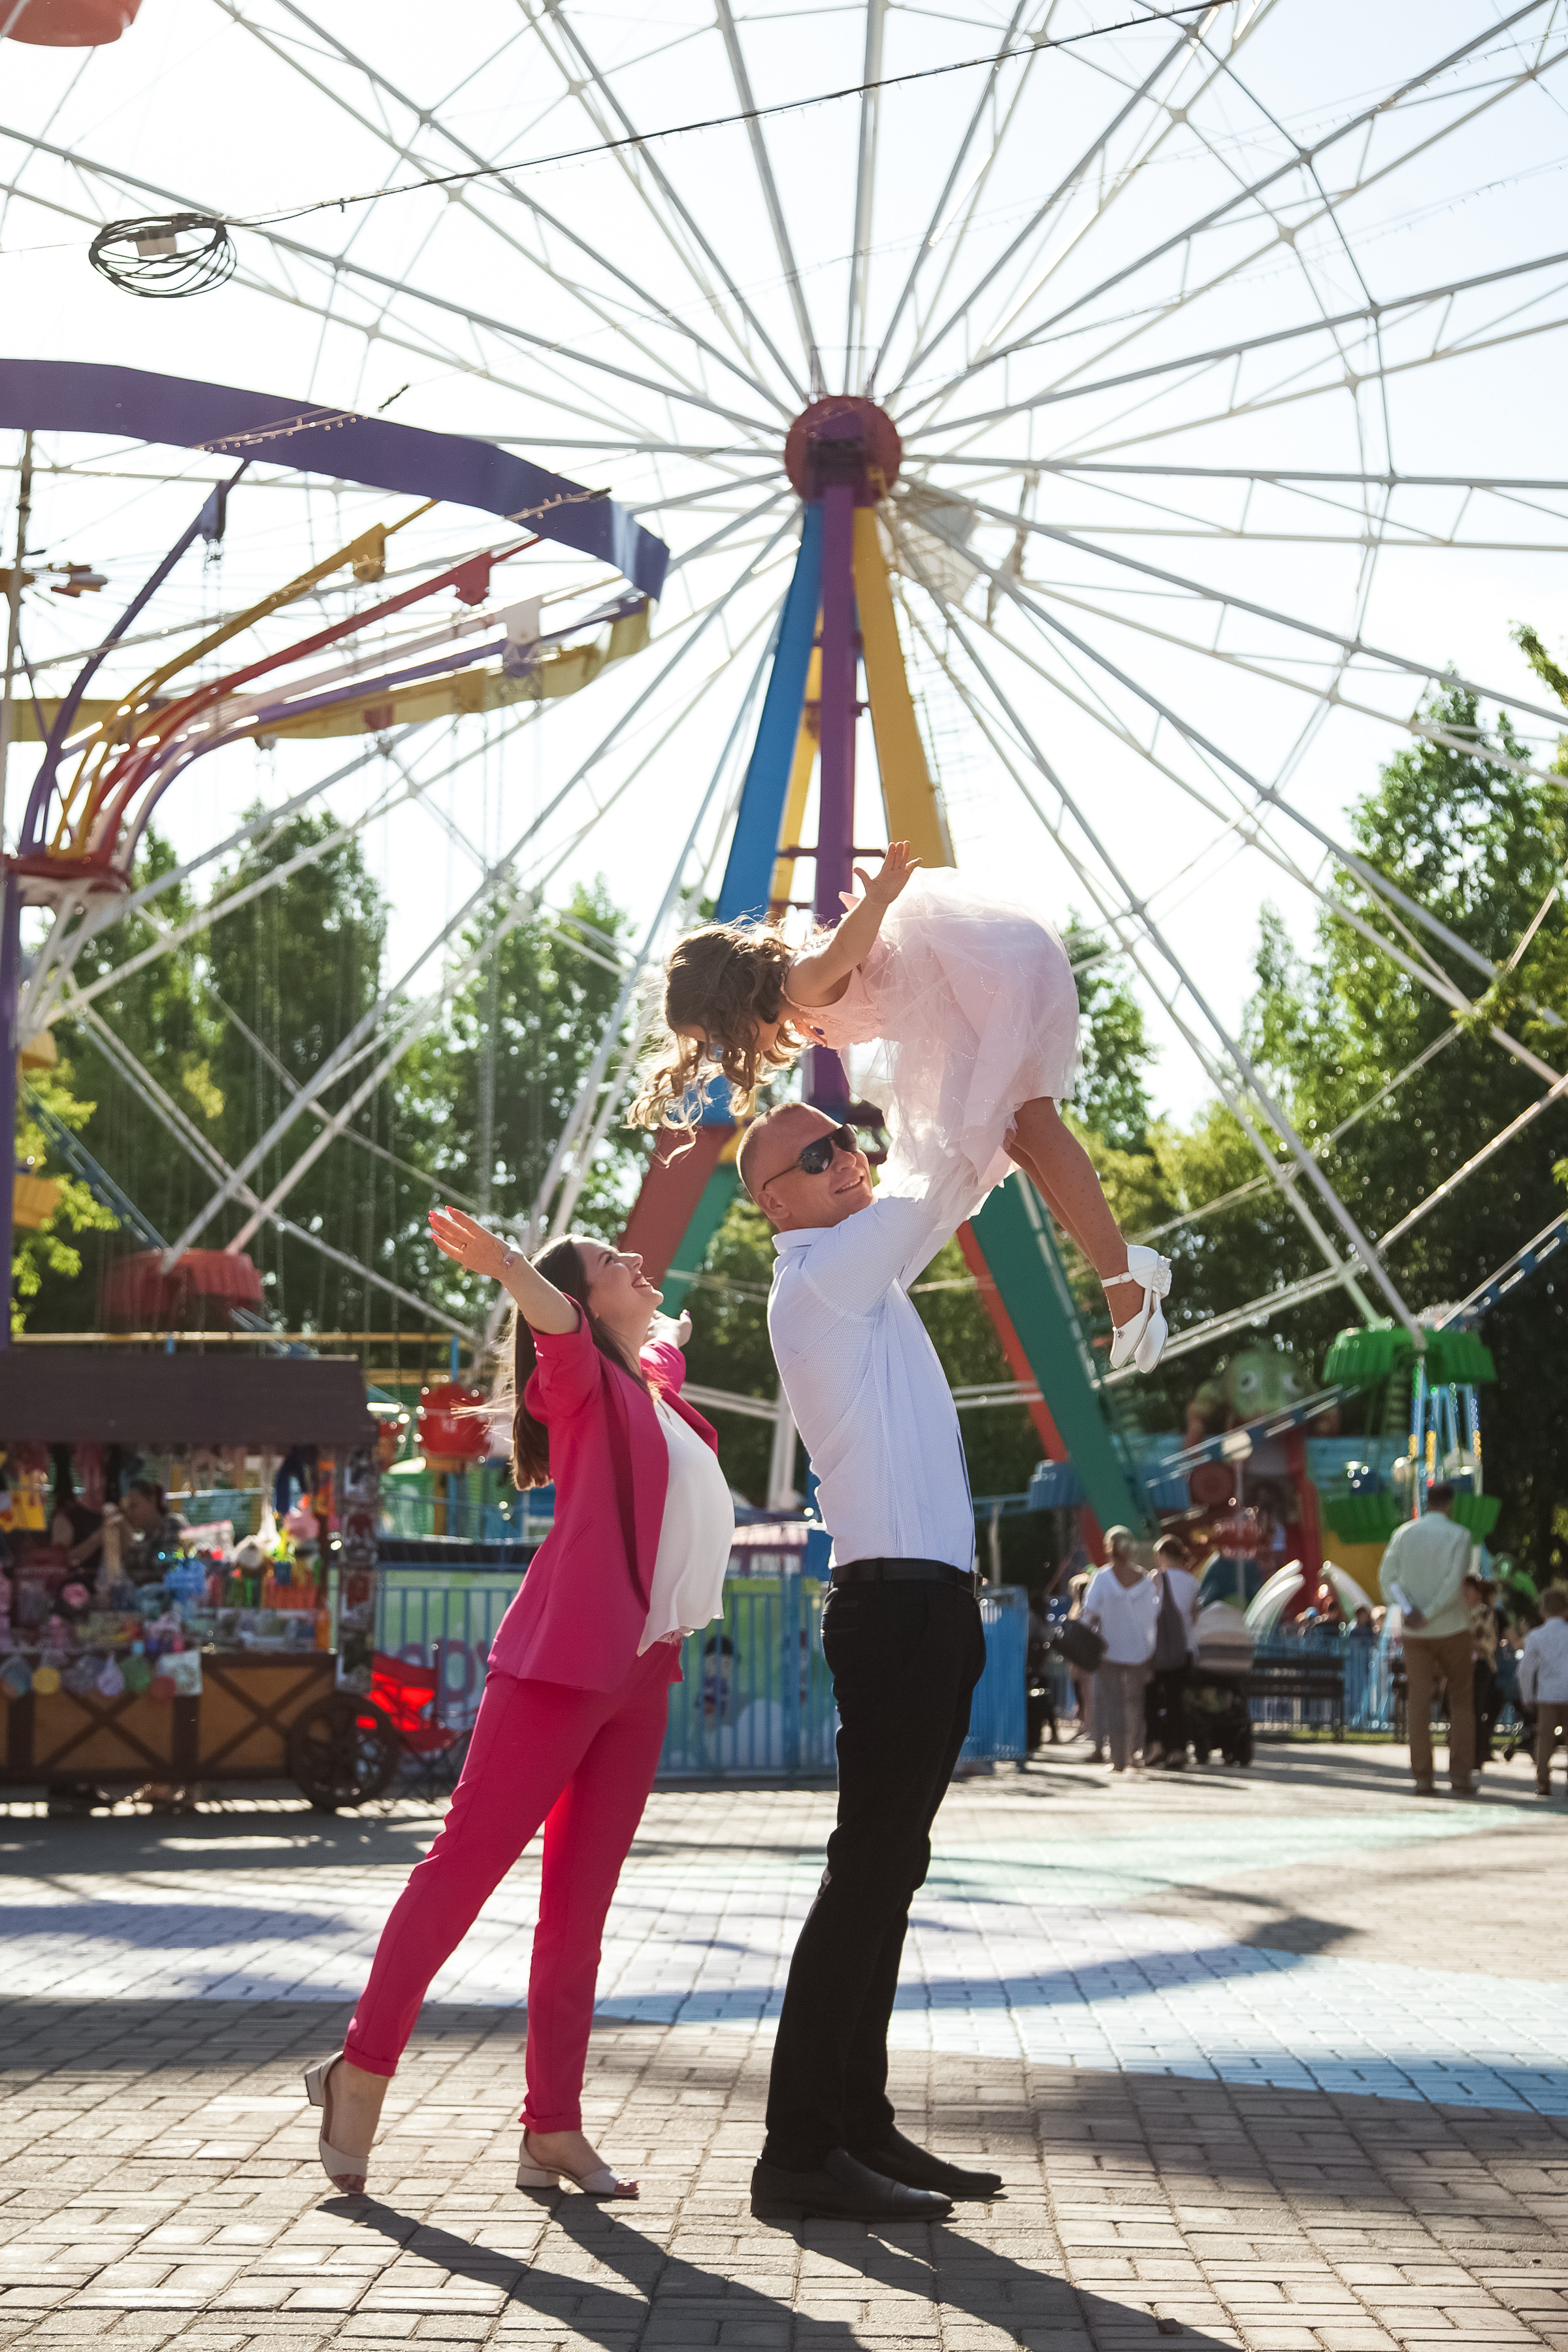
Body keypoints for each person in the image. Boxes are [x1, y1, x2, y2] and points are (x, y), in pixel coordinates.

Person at [304, 1211, 734, 2200]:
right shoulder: (577, 1381)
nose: (635, 1256)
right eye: (607, 1262)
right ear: (579, 1306)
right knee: (461, 1874)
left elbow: (657, 1345)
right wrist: (512, 1268)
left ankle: (553, 2129)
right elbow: (559, 1327)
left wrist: (658, 1329)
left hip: (640, 1675)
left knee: (579, 1913)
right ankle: (359, 2070)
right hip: (557, 1667)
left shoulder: (650, 1386)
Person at [736, 1100, 1004, 2225]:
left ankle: (857, 2119)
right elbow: (950, 1171)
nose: (847, 1155)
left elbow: (959, 1180)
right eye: (818, 1151)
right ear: (775, 1204)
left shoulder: (865, 1278)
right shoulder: (826, 1277)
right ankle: (796, 2151)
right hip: (894, 1609)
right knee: (865, 1877)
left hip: (929, 1601)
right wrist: (988, 1042)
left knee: (890, 1875)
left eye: (846, 1139)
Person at [632, 843, 1173, 1373]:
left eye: (721, 1036)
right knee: (1016, 1134)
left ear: (730, 1002)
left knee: (1031, 1122)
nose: (727, 1050)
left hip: (984, 981)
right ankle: (1120, 1268)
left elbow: (843, 952)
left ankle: (1121, 1276)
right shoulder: (796, 997)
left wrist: (879, 899)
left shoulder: (801, 981)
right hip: (967, 997)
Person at [1379, 1483, 1477, 1797]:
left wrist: (1408, 1609)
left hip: (1415, 1632)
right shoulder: (1460, 1536)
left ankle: (1422, 1776)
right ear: (1449, 1504)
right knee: (1461, 1701)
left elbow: (1387, 1577)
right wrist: (1431, 1612)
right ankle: (1460, 1776)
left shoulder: (1403, 1534)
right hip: (1451, 1628)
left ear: (1426, 1502)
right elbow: (1453, 1583)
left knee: (1419, 1703)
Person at [1081, 1529, 1159, 1772]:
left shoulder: (1102, 1579)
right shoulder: (1146, 1582)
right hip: (1141, 1651)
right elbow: (1152, 1616)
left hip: (1109, 1650)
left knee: (1113, 1704)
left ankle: (1118, 1760)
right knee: (1135, 1703)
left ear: (1109, 1548)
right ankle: (1134, 1752)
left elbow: (1088, 1614)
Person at [1144, 1534, 1200, 1768]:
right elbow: (1196, 1617)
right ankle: (1178, 1750)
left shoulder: (1156, 1579)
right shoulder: (1192, 1582)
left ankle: (1156, 1744)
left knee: (1152, 1699)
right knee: (1177, 1702)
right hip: (1184, 1651)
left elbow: (1148, 1613)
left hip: (1158, 1651)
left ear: (1164, 1556)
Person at [1517, 1587, 1568, 1797]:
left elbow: (1526, 1669)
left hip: (1547, 1695)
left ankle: (1543, 1781)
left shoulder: (1536, 1636)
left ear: (1542, 1611)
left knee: (1545, 1738)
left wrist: (1527, 1695)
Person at [116, 1477, 189, 1588]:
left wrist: (130, 1550)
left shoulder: (171, 1524)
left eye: (134, 1506)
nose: (129, 1514)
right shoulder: (146, 1536)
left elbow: (170, 1560)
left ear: (152, 1500)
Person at [1465, 1571, 1499, 1767]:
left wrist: (1473, 1648)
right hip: (1464, 1665)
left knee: (1476, 1710)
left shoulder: (1484, 1612)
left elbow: (1487, 1642)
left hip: (1481, 1666)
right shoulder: (1460, 1612)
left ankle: (1476, 1757)